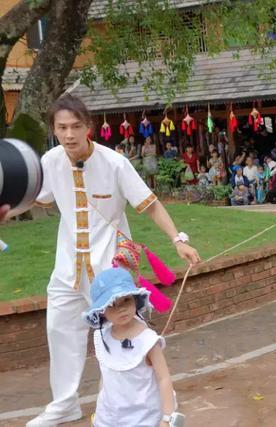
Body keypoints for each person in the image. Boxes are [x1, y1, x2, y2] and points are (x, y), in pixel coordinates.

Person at [25, 94, 199, 427]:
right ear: (54, 129)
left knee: (126, 334)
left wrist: (177, 240)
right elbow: (33, 197)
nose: (69, 134)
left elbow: (149, 204)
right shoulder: (49, 161)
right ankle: (64, 404)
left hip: (110, 270)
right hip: (67, 268)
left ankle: (158, 403)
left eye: (76, 126)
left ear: (89, 127)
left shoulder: (114, 163)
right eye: (62, 127)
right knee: (59, 330)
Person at [83, 268, 180, 427]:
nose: (121, 308)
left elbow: (164, 379)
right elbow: (106, 375)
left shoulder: (147, 340)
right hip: (110, 416)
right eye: (112, 304)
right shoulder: (103, 337)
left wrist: (167, 417)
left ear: (135, 300)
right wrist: (101, 410)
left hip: (143, 416)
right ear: (102, 312)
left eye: (126, 300)